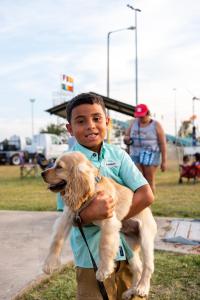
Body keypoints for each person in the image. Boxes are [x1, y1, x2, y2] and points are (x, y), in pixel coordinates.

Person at [58, 93, 154, 300]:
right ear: (70, 129)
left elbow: (146, 195)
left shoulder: (118, 156)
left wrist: (111, 215)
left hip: (126, 254)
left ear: (107, 122)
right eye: (81, 121)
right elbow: (67, 217)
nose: (91, 125)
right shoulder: (67, 164)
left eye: (96, 118)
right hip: (91, 259)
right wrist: (88, 214)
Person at [124, 103, 167, 194]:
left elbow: (163, 143)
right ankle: (142, 203)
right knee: (138, 181)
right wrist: (127, 139)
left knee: (149, 180)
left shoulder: (156, 125)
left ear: (148, 114)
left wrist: (164, 161)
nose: (140, 119)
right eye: (139, 116)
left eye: (142, 116)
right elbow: (126, 137)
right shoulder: (134, 123)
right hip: (135, 154)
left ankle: (149, 203)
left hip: (151, 154)